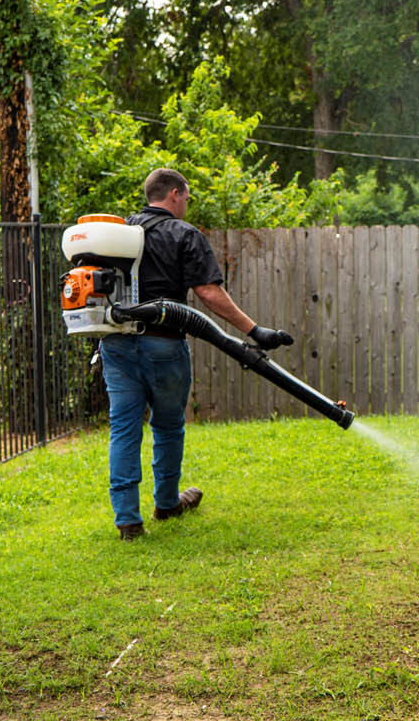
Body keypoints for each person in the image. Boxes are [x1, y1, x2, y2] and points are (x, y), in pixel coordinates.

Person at [100, 168, 291, 541]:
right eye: (186, 197)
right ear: (174, 194)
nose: (186, 203)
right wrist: (254, 331)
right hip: (163, 344)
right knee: (168, 426)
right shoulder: (183, 234)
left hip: (116, 344)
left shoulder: (117, 233)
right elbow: (209, 293)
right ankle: (167, 504)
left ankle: (127, 521)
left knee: (123, 428)